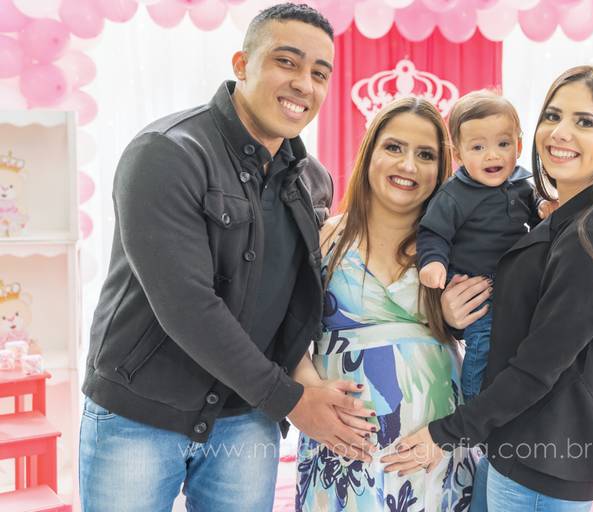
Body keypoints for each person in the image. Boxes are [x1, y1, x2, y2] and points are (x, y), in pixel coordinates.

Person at [79, 4, 375, 511]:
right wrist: (291, 401)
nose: (303, 84)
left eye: (319, 73)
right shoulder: (167, 153)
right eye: (286, 62)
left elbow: (297, 302)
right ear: (242, 64)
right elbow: (187, 305)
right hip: (141, 415)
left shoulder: (313, 182)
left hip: (246, 416)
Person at [383, 66, 593, 512]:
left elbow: (537, 367)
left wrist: (445, 433)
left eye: (584, 121)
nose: (561, 132)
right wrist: (453, 315)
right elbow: (515, 319)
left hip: (541, 461)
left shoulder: (592, 240)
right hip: (514, 445)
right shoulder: (559, 218)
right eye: (553, 116)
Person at [292, 97, 477, 511]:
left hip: (435, 447)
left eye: (425, 155)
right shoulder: (324, 237)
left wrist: (453, 322)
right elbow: (284, 337)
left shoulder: (458, 250)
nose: (408, 165)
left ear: (442, 169)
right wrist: (311, 397)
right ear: (369, 151)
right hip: (343, 448)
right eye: (394, 147)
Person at [417, 90, 556, 403]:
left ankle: (518, 397)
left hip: (516, 284)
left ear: (518, 146)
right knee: (483, 344)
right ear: (458, 153)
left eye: (503, 144)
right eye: (478, 147)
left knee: (524, 342)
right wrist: (433, 262)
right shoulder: (454, 194)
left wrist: (543, 207)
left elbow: (533, 209)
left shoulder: (522, 183)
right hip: (478, 289)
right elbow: (433, 233)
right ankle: (475, 402)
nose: (492, 156)